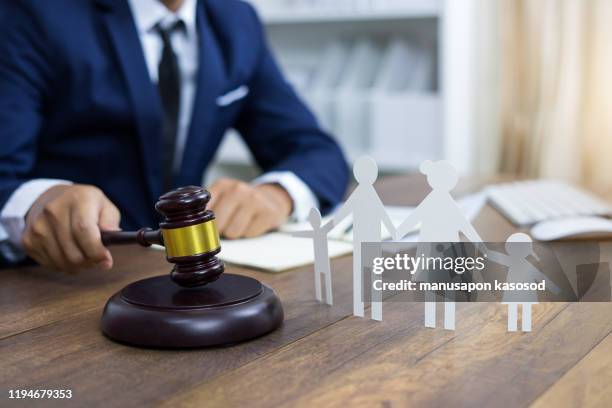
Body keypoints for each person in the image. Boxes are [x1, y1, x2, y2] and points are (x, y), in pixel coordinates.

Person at [0, 0, 348, 272]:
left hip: (187, 274)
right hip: (61, 282)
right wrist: (37, 202)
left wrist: (278, 194)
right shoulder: (33, 14)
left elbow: (318, 151)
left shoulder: (237, 21)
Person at [396, 160, 483, 330]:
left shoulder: (442, 201)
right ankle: (436, 319)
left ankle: (443, 320)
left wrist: (398, 233)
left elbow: (463, 224)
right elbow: (463, 224)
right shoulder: (439, 201)